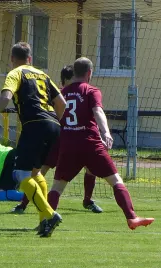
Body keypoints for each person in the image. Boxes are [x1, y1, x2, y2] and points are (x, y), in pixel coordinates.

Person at [47, 57, 155, 231]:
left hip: (68, 144)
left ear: (74, 72)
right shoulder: (91, 91)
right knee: (115, 180)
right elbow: (98, 111)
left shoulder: (62, 93)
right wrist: (105, 132)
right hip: (90, 143)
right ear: (89, 73)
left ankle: (46, 220)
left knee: (57, 187)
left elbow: (56, 115)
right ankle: (131, 217)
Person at [0, 42, 66, 237]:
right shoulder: (43, 74)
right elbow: (61, 103)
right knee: (35, 173)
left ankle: (49, 214)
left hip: (34, 125)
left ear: (12, 59)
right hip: (54, 125)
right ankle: (44, 222)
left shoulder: (16, 73)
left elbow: (5, 98)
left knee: (20, 175)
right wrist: (56, 123)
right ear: (30, 59)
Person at [12, 65, 103, 214]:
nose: (75, 81)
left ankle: (87, 200)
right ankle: (23, 203)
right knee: (40, 170)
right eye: (72, 78)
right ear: (65, 80)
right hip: (57, 138)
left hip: (75, 138)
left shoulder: (80, 93)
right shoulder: (58, 95)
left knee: (90, 168)